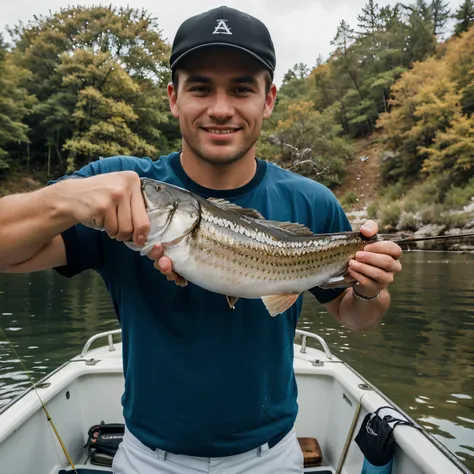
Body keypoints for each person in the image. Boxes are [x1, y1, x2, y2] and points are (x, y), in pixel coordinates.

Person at [0, 6, 402, 474]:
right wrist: (68, 198)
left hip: (271, 456)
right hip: (147, 457)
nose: (220, 108)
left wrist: (371, 290)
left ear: (268, 99)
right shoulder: (116, 188)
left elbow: (355, 317)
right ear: (173, 97)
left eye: (241, 89)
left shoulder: (311, 202)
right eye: (200, 87)